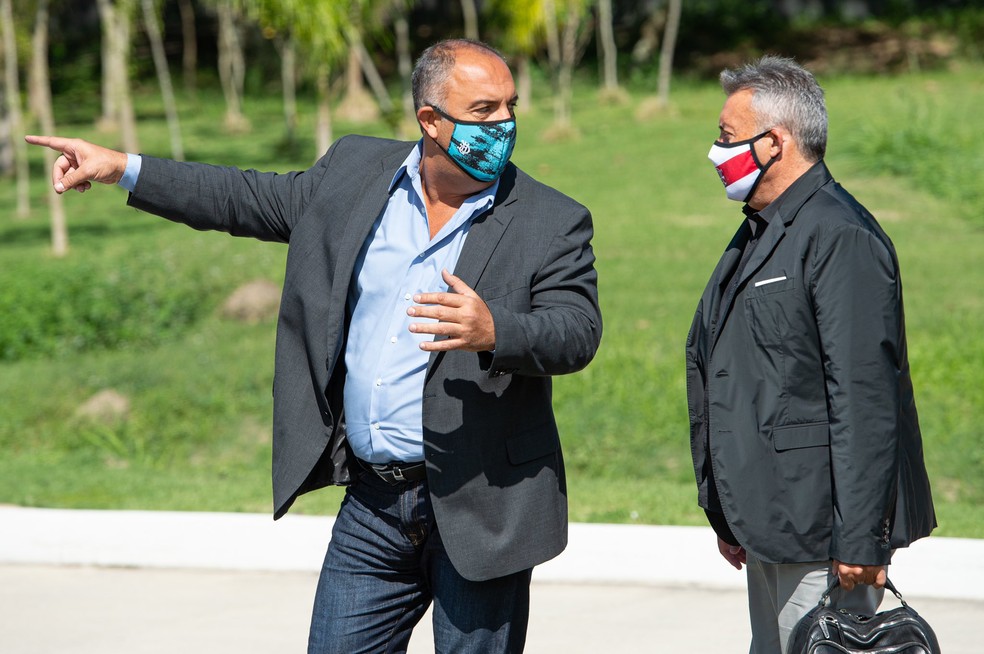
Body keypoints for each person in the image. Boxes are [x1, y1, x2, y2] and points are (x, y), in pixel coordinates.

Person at [27, 39, 601, 653]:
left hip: (482, 503)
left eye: (511, 106)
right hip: (375, 504)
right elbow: (242, 197)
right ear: (430, 120)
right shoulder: (354, 173)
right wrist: (122, 168)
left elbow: (577, 330)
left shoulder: (550, 218)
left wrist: (497, 331)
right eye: (484, 111)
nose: (504, 125)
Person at [686, 55, 935, 654]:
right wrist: (730, 513)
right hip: (771, 520)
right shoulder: (764, 228)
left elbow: (866, 396)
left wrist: (861, 541)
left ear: (774, 142)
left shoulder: (839, 234)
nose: (715, 152)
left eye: (726, 137)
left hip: (824, 532)